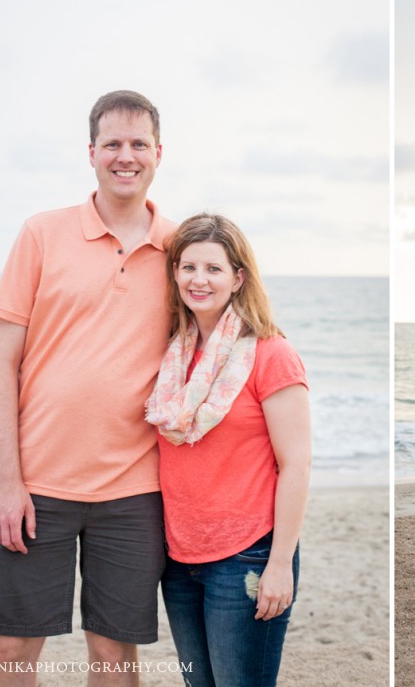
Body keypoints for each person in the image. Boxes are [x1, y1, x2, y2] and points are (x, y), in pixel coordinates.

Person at [0, 90, 174, 684]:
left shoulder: (181, 246)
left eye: (138, 144)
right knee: (11, 653)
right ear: (91, 153)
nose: (125, 156)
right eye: (112, 143)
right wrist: (8, 482)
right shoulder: (41, 233)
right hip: (34, 486)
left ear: (159, 153)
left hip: (134, 491)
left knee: (114, 658)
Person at [146, 213, 311, 687]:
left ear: (239, 278)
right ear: (174, 273)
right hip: (179, 559)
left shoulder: (271, 353)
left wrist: (279, 565)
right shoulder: (173, 354)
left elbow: (296, 464)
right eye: (188, 267)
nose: (199, 280)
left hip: (248, 557)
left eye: (214, 269)